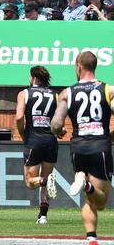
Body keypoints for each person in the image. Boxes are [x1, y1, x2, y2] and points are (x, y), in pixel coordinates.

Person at [52, 50, 114, 245]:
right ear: (94, 66)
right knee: (101, 202)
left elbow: (55, 124)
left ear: (78, 67)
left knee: (89, 200)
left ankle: (91, 238)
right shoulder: (108, 89)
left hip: (78, 147)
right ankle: (86, 184)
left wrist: (59, 132)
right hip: (100, 146)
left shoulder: (67, 93)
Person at [17, 65, 60, 225]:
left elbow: (19, 117)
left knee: (30, 181)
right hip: (50, 142)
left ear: (34, 78)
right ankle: (43, 216)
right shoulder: (55, 95)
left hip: (33, 141)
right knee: (47, 178)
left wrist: (23, 134)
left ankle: (45, 181)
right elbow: (58, 122)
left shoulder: (24, 93)